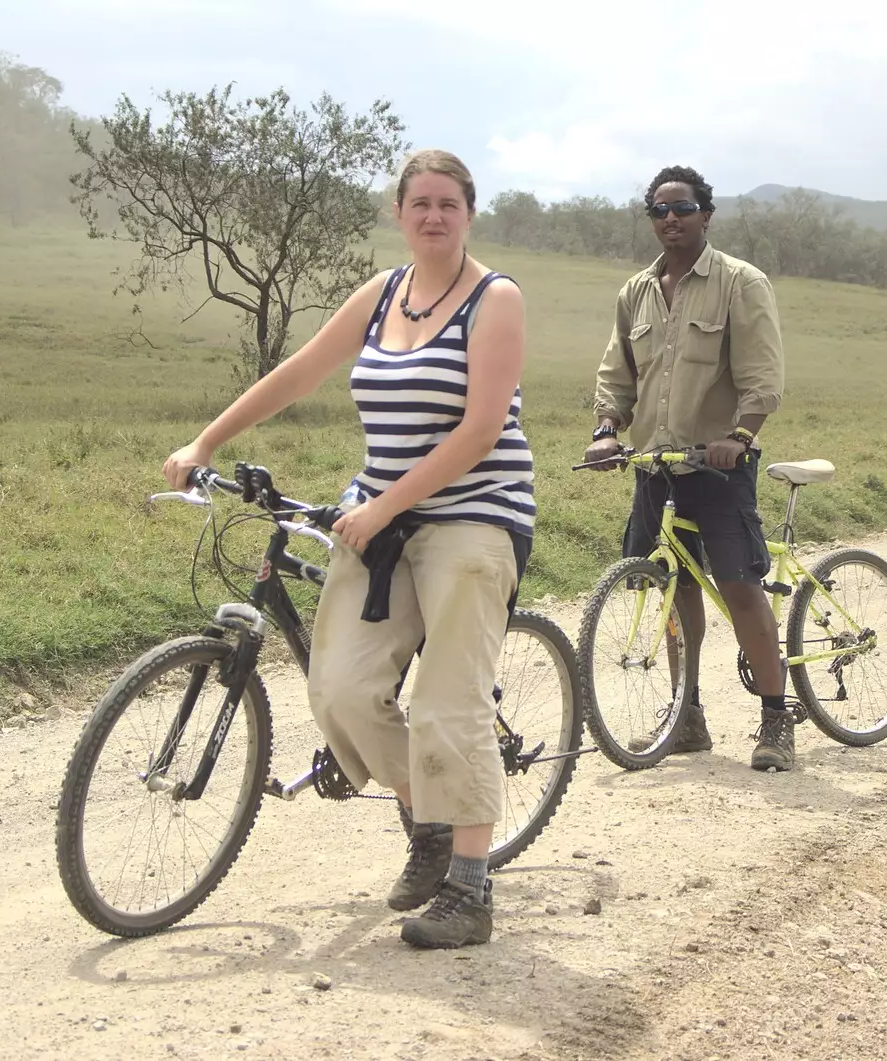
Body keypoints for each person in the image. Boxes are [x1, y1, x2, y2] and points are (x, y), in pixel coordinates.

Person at [161, 148, 533, 949]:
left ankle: (470, 888)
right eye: (420, 203)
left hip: (475, 515)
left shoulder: (495, 299)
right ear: (398, 213)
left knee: (446, 701)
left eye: (449, 204)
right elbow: (298, 373)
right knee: (340, 691)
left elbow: (478, 433)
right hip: (381, 519)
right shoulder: (383, 294)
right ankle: (430, 827)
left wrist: (387, 503)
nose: (434, 216)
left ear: (470, 214)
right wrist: (206, 439)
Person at [582, 164, 793, 771]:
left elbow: (762, 375)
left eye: (682, 207)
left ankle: (777, 719)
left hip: (719, 467)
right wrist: (605, 431)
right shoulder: (636, 293)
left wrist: (741, 435)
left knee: (739, 586)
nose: (670, 218)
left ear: (706, 214)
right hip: (657, 466)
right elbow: (616, 375)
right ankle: (687, 714)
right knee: (667, 588)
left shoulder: (740, 283)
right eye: (658, 210)